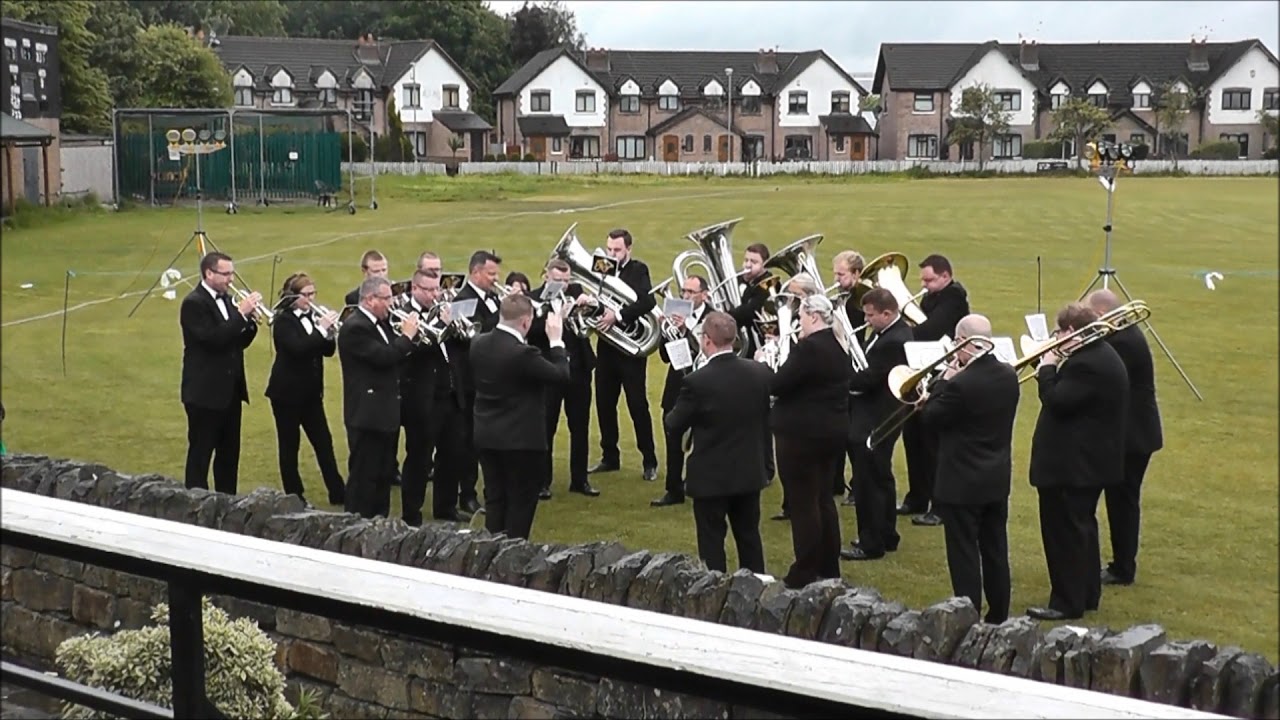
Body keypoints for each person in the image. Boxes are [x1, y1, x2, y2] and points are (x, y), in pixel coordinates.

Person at [1026, 302, 1129, 621]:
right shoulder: (1098, 355)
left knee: (1064, 534)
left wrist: (1047, 366)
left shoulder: (1088, 363)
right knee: (1082, 528)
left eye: (1059, 332)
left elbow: (1056, 400)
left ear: (1071, 332)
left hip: (1073, 467)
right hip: (1086, 464)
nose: (1056, 338)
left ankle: (1066, 602)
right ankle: (1085, 594)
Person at [920, 314, 1020, 623]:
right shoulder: (1008, 374)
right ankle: (999, 613)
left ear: (963, 342)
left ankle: (967, 613)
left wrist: (942, 381)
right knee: (995, 548)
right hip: (995, 477)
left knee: (963, 552)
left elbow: (930, 419)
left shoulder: (959, 384)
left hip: (961, 481)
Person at [663, 311, 772, 574]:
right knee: (749, 537)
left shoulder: (697, 381)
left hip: (712, 476)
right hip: (749, 470)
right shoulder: (760, 372)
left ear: (707, 340)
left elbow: (673, 423)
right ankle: (757, 586)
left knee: (712, 542)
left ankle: (713, 591)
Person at [763, 294, 850, 589]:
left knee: (804, 504)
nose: (798, 322)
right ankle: (829, 566)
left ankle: (805, 569)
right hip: (830, 433)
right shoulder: (837, 345)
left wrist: (766, 363)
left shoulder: (809, 348)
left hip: (801, 436)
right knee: (824, 499)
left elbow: (777, 384)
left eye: (801, 317)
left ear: (813, 316)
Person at [470, 294, 571, 540]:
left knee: (495, 499)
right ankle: (512, 556)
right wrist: (556, 341)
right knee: (520, 504)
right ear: (526, 322)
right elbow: (560, 375)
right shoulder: (523, 354)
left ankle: (489, 553)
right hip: (521, 441)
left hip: (487, 436)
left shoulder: (478, 343)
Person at [1088, 289, 1163, 586]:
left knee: (1123, 501)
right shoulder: (1123, 333)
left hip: (1132, 436)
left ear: (1102, 313)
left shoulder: (1121, 340)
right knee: (1123, 500)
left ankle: (1123, 567)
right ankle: (1122, 563)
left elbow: (1097, 374)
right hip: (1134, 433)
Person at [338, 276, 420, 518]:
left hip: (385, 413)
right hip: (367, 415)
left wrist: (409, 339)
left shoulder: (380, 323)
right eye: (386, 299)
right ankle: (355, 523)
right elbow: (384, 357)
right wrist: (407, 337)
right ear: (370, 299)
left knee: (383, 474)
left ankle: (378, 523)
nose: (391, 304)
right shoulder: (356, 327)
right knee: (364, 476)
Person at [179, 251, 260, 494]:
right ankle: (195, 502)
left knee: (229, 455)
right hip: (204, 393)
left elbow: (235, 342)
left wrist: (250, 324)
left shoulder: (226, 300)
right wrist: (240, 315)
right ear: (209, 273)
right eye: (226, 274)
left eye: (232, 273)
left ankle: (227, 503)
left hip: (230, 392)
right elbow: (213, 340)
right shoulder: (194, 303)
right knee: (201, 454)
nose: (231, 279)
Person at [900, 254, 971, 527]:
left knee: (933, 445)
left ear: (945, 276)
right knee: (913, 436)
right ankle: (917, 496)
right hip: (925, 371)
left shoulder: (954, 299)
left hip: (944, 375)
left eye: (929, 280)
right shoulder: (931, 298)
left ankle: (939, 505)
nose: (924, 285)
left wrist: (907, 329)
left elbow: (930, 330)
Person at [842, 287, 912, 561]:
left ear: (887, 313)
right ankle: (886, 534)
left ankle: (871, 542)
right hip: (880, 413)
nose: (866, 320)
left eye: (871, 315)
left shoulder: (894, 340)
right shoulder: (887, 333)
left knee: (868, 479)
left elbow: (870, 378)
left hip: (876, 415)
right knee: (881, 475)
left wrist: (843, 378)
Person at [264, 272, 346, 505]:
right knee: (290, 446)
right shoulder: (283, 321)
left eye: (313, 294)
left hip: (311, 394)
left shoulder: (312, 317)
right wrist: (320, 329)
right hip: (286, 395)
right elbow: (298, 349)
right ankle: (295, 495)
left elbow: (326, 351)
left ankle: (338, 491)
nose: (311, 300)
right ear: (293, 297)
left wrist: (330, 333)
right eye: (306, 295)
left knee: (324, 443)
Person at [589, 228, 660, 482]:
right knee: (605, 404)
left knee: (637, 405)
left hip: (631, 351)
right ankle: (610, 456)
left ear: (629, 249)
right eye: (609, 249)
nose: (612, 254)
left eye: (617, 250)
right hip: (607, 349)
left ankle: (649, 460)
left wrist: (617, 315)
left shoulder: (638, 269)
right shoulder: (602, 267)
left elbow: (647, 301)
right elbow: (594, 293)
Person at [528, 259, 599, 499]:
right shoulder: (534, 298)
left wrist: (589, 305)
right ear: (547, 277)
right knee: (545, 426)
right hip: (548, 369)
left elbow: (592, 320)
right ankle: (541, 481)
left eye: (567, 281)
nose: (564, 286)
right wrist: (554, 314)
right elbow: (531, 331)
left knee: (580, 427)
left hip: (578, 369)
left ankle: (580, 480)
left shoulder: (576, 292)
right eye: (558, 281)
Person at [397, 269, 459, 525]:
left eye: (436, 289)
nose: (434, 294)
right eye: (428, 289)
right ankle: (412, 513)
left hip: (449, 391)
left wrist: (454, 326)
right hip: (421, 398)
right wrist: (441, 326)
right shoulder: (405, 315)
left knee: (451, 453)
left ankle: (445, 507)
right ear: (414, 288)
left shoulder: (443, 308)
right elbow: (412, 349)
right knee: (420, 458)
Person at [449, 249, 503, 515]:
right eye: (491, 274)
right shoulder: (463, 300)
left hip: (491, 379)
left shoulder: (493, 298)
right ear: (476, 272)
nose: (495, 279)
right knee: (469, 440)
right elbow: (474, 336)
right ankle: (466, 494)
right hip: (470, 381)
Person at [651, 274, 711, 507]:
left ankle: (700, 484)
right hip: (678, 386)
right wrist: (667, 331)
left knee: (704, 439)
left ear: (704, 295)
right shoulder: (675, 317)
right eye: (683, 291)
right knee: (672, 435)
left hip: (705, 386)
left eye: (690, 292)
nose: (684, 296)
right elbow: (666, 357)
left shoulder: (712, 317)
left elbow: (706, 352)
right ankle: (673, 489)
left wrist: (687, 330)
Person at [830, 250, 866, 503]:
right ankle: (836, 481)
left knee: (854, 435)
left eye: (841, 275)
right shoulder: (844, 297)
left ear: (856, 274)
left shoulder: (861, 300)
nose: (836, 280)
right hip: (843, 368)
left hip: (858, 369)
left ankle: (859, 484)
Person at [725, 243, 774, 356]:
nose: (747, 265)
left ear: (765, 265)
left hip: (758, 342)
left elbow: (751, 311)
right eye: (746, 260)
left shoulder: (770, 284)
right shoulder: (738, 280)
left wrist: (724, 316)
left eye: (754, 262)